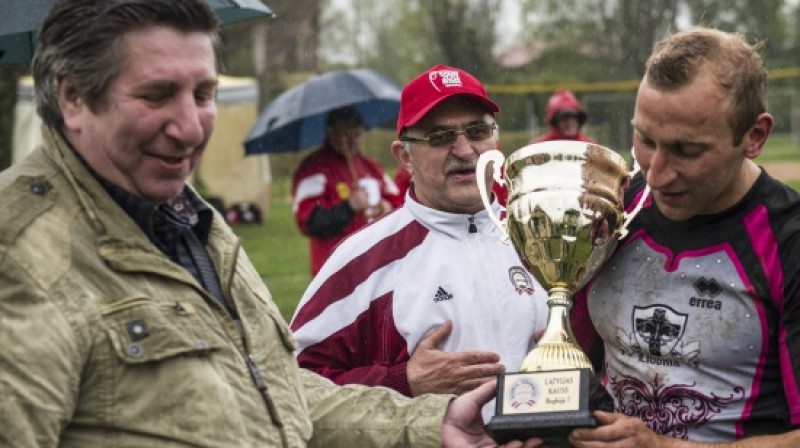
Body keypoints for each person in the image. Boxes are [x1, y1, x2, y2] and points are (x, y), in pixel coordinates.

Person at [0, 1, 545, 447]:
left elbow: (280, 389)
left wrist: (429, 423)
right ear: (72, 96)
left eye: (205, 94)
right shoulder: (20, 251)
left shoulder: (198, 227)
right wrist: (408, 382)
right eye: (157, 94)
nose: (191, 127)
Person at [568, 28, 800, 447]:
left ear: (754, 136)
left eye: (687, 150)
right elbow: (570, 348)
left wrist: (663, 446)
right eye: (645, 139)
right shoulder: (616, 204)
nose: (655, 175)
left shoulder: (788, 241)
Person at [290, 64, 549, 422]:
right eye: (440, 137)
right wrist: (402, 381)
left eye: (477, 131)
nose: (464, 149)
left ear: (495, 139)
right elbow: (291, 385)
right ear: (404, 156)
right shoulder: (362, 261)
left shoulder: (545, 239)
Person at [292, 106, 403, 275]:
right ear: (330, 133)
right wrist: (348, 207)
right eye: (345, 135)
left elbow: (400, 203)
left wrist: (387, 208)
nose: (352, 142)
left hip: (377, 264)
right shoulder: (314, 169)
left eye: (356, 135)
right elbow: (310, 222)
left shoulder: (371, 167)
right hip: (335, 270)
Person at [531, 89, 595, 143]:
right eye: (564, 118)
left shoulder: (591, 147)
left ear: (579, 120)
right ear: (555, 123)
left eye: (572, 117)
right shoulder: (539, 146)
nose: (569, 123)